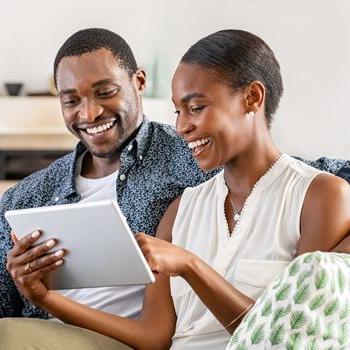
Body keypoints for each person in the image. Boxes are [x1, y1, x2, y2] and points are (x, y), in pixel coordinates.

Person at [3, 29, 350, 350]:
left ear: (252, 98)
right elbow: (155, 336)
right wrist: (43, 297)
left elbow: (291, 337)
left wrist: (190, 266)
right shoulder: (180, 210)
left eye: (196, 108)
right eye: (178, 110)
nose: (182, 126)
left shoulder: (319, 196)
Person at [0, 28, 216, 320]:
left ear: (139, 81)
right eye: (71, 101)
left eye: (105, 92)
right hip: (37, 332)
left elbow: (273, 169)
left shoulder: (195, 159)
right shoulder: (24, 198)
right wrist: (19, 278)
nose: (89, 114)